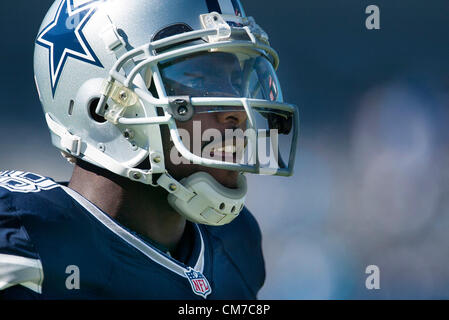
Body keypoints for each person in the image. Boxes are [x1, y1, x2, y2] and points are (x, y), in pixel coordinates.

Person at [0, 0, 298, 299]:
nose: (237, 113)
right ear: (102, 110)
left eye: (237, 81)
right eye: (198, 79)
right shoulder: (25, 236)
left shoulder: (233, 244)